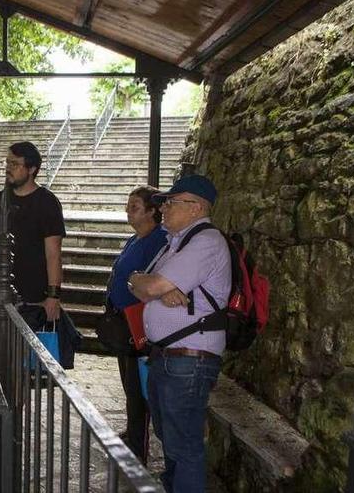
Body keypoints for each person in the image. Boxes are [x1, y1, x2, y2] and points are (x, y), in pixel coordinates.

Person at [127, 174, 231, 493]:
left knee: (184, 447)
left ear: (196, 207)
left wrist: (154, 286)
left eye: (172, 202)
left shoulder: (205, 242)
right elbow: (135, 283)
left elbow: (151, 286)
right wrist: (149, 285)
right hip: (169, 358)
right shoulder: (176, 243)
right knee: (170, 440)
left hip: (188, 360)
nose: (164, 209)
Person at [106, 186, 167, 462]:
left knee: (138, 384)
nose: (128, 211)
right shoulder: (136, 238)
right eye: (128, 206)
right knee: (129, 382)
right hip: (125, 320)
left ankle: (138, 444)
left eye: (134, 207)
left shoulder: (160, 240)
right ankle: (133, 432)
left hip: (140, 322)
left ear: (153, 211)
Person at [0, 141, 65, 322]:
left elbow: (53, 253)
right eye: (7, 163)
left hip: (31, 298)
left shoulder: (46, 202)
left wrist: (53, 295)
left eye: (15, 164)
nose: (8, 168)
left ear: (31, 169)